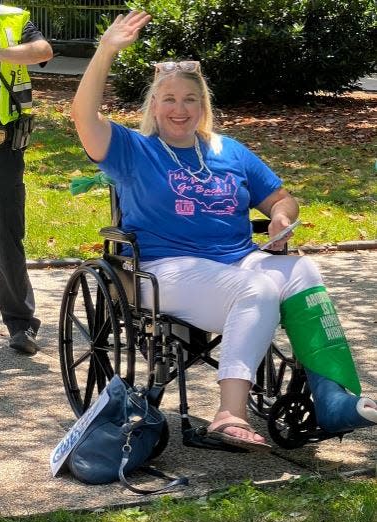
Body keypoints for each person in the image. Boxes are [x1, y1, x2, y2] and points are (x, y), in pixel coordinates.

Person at [71, 11, 377, 451]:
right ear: (153, 106)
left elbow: (281, 198)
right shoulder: (132, 149)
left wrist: (281, 218)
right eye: (169, 99)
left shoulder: (227, 150)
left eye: (190, 99)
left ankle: (333, 399)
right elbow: (83, 115)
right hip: (167, 269)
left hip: (238, 258)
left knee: (304, 272)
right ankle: (229, 413)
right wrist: (106, 49)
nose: (180, 109)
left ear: (203, 106)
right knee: (258, 290)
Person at [0, 1, 53, 354]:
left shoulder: (13, 17)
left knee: (8, 236)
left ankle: (21, 325)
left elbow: (44, 50)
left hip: (0, 147)